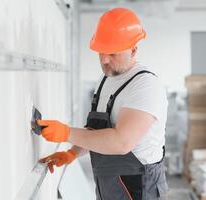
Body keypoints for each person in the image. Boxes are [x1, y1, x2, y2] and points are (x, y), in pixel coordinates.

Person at [38, 7, 168, 200]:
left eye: (113, 53)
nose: (104, 60)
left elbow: (121, 142)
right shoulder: (105, 79)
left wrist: (67, 133)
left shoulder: (145, 86)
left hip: (140, 189)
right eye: (101, 52)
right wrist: (72, 153)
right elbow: (97, 133)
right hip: (109, 186)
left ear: (133, 50)